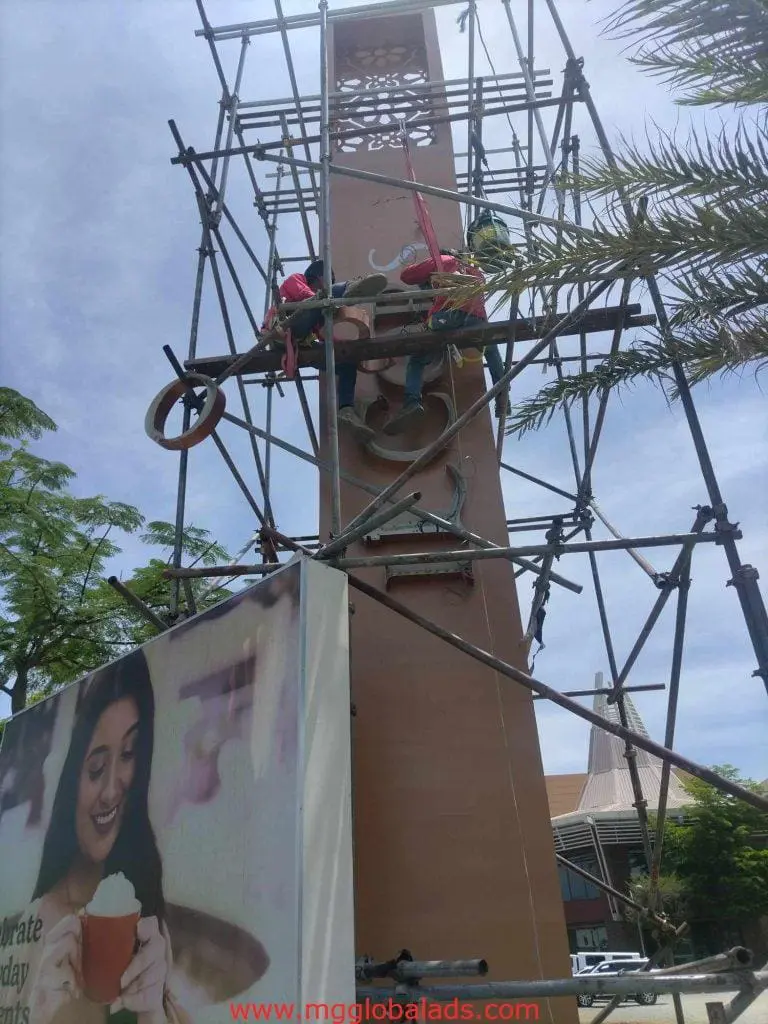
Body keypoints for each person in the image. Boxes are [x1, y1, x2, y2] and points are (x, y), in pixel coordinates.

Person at [18, 650, 192, 1024]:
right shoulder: (34, 923)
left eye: (129, 754)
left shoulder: (149, 924)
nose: (112, 790)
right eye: (96, 766)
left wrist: (150, 1013)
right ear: (70, 779)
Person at [383, 248, 510, 435]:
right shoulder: (474, 271)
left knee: (418, 358)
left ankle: (412, 402)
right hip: (477, 318)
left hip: (448, 317)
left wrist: (415, 266)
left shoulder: (442, 260)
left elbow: (407, 277)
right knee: (491, 350)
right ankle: (503, 395)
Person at [263, 260, 389, 443]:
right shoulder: (296, 279)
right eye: (327, 280)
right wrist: (329, 300)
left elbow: (320, 336)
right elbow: (305, 295)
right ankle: (349, 288)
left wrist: (342, 348)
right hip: (286, 328)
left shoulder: (312, 316)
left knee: (346, 365)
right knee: (327, 296)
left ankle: (346, 410)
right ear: (319, 277)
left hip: (299, 344)